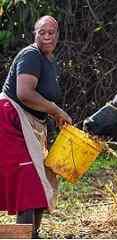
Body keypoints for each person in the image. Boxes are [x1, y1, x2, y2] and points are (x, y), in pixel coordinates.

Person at [0, 16, 72, 238]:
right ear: (35, 34)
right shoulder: (30, 55)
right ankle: (25, 236)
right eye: (42, 32)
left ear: (58, 35)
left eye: (52, 32)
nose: (47, 36)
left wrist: (52, 114)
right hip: (9, 121)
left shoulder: (48, 59)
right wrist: (57, 111)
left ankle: (33, 234)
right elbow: (24, 93)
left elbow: (40, 98)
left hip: (30, 123)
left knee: (41, 179)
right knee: (29, 180)